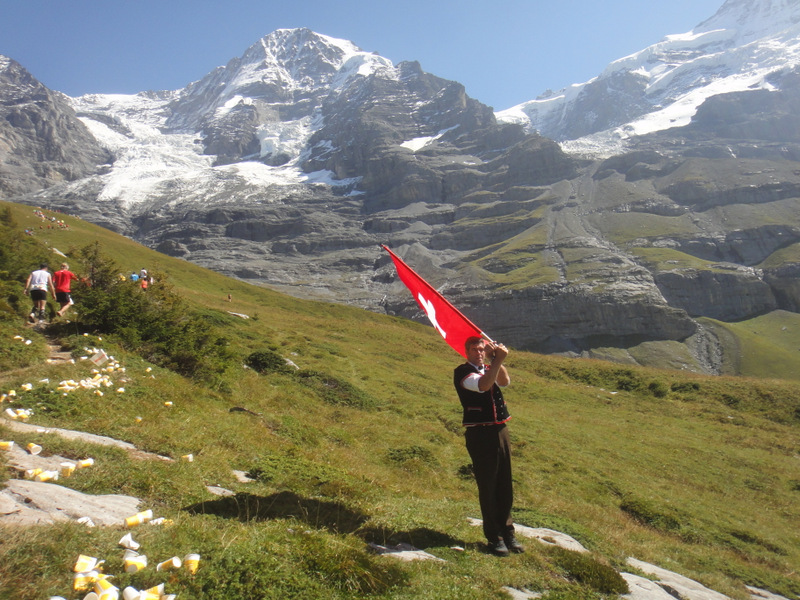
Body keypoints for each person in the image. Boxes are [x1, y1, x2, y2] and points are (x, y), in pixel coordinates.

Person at [453, 337, 524, 556]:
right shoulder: (462, 372)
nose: (479, 353)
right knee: (489, 485)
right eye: (474, 349)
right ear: (467, 352)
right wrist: (496, 361)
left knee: (504, 483)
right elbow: (483, 385)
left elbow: (504, 382)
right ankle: (495, 537)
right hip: (480, 433)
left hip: (500, 430)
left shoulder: (488, 366)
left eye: (482, 350)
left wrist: (496, 361)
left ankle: (508, 531)